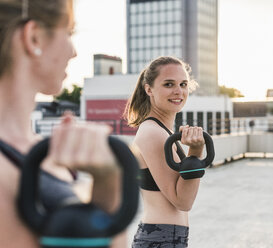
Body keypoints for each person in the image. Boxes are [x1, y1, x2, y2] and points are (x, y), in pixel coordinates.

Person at [0, 0, 129, 247]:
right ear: (34, 37)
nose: (74, 52)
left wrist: (105, 182)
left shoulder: (37, 150)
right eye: (69, 32)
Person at [124, 56, 206, 247]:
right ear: (149, 89)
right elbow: (182, 201)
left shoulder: (162, 130)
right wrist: (195, 151)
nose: (178, 91)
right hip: (161, 239)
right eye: (169, 84)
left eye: (183, 84)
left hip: (167, 237)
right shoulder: (153, 133)